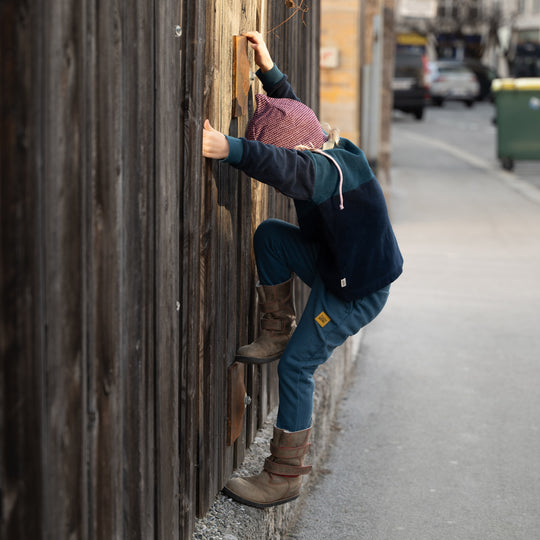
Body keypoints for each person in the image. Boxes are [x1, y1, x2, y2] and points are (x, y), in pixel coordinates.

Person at [202, 31, 403, 509]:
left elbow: (281, 163)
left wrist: (228, 148)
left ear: (304, 156)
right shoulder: (324, 145)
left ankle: (284, 475)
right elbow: (294, 116)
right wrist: (270, 72)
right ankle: (277, 327)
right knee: (271, 234)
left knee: (297, 366)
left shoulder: (319, 172)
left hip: (355, 292)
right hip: (337, 265)